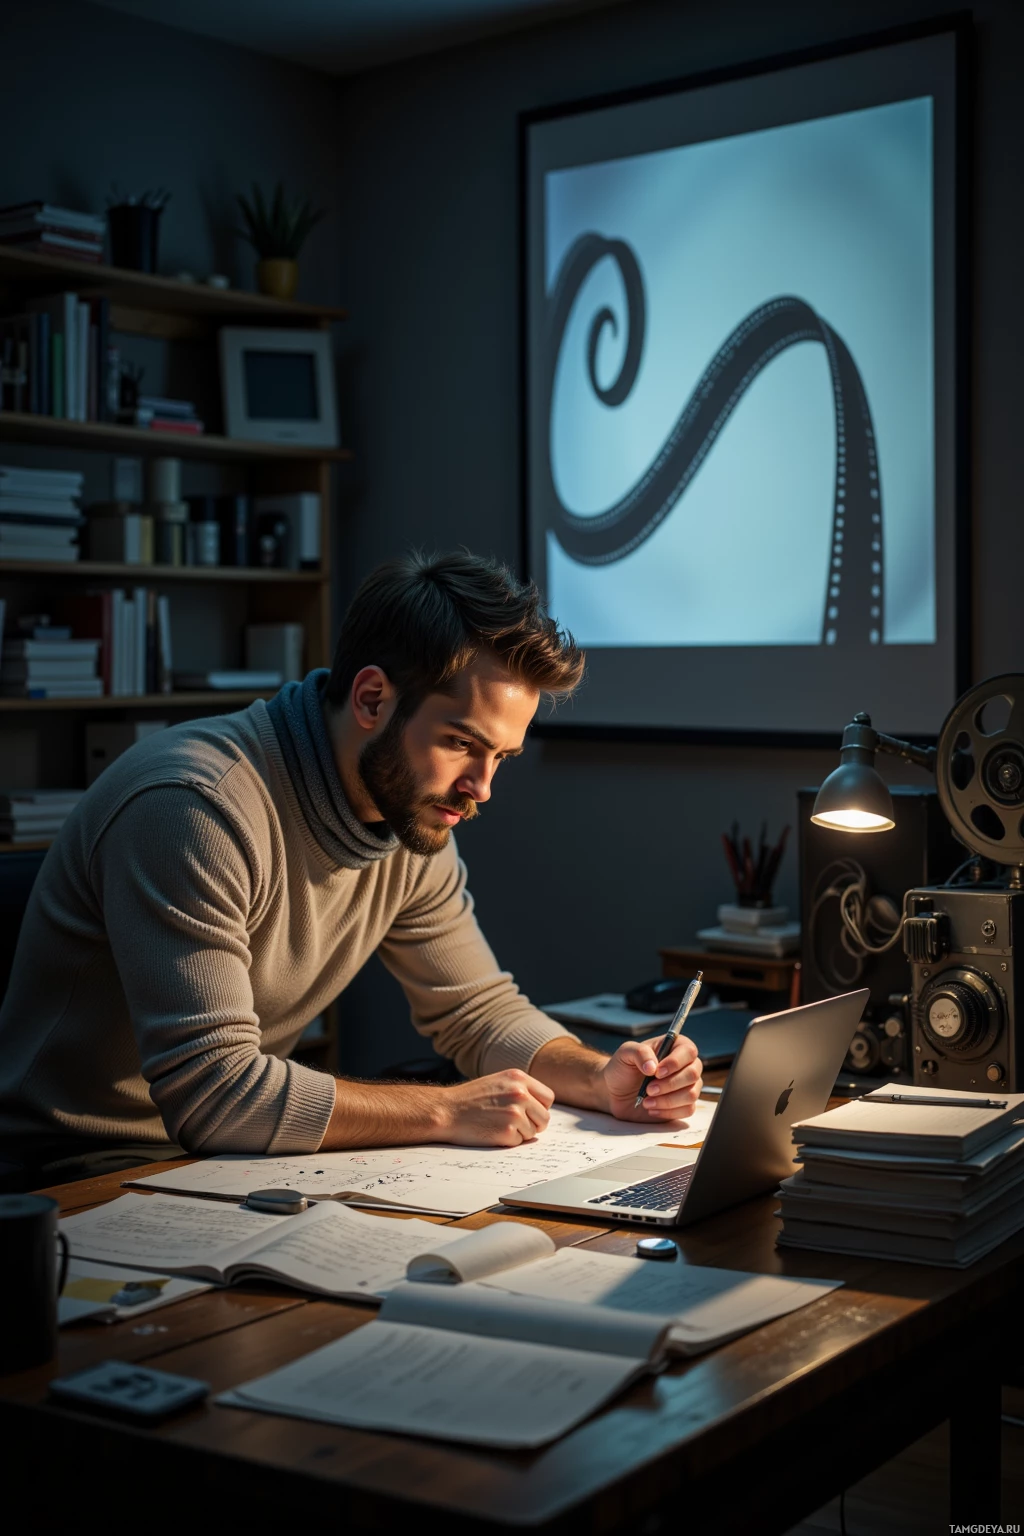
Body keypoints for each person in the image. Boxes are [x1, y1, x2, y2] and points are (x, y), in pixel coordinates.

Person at [0, 551, 702, 1186]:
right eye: (462, 744)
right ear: (372, 699)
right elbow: (214, 1095)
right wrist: (445, 1110)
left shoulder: (411, 815)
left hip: (218, 1164)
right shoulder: (194, 808)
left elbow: (476, 1011)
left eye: (502, 758)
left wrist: (601, 1077)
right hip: (70, 1176)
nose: (481, 787)